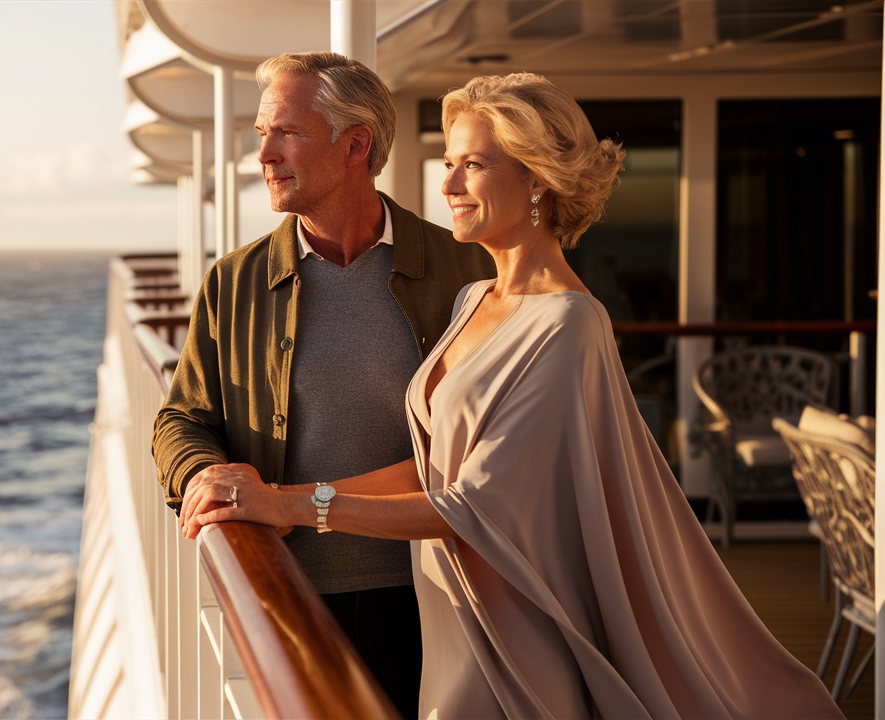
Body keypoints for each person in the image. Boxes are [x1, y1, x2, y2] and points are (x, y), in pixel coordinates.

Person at [180, 72, 843, 719]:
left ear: (537, 180)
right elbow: (434, 465)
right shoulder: (473, 299)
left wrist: (293, 503)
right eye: (450, 162)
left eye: (474, 164)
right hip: (450, 612)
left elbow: (476, 506)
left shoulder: (570, 323)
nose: (449, 183)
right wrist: (268, 502)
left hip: (511, 630)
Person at [152, 51, 495, 718]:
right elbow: (182, 418)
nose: (265, 156)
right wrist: (201, 474)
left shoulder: (464, 268)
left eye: (287, 133)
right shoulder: (236, 282)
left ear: (355, 145)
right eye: (261, 135)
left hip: (440, 594)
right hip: (293, 593)